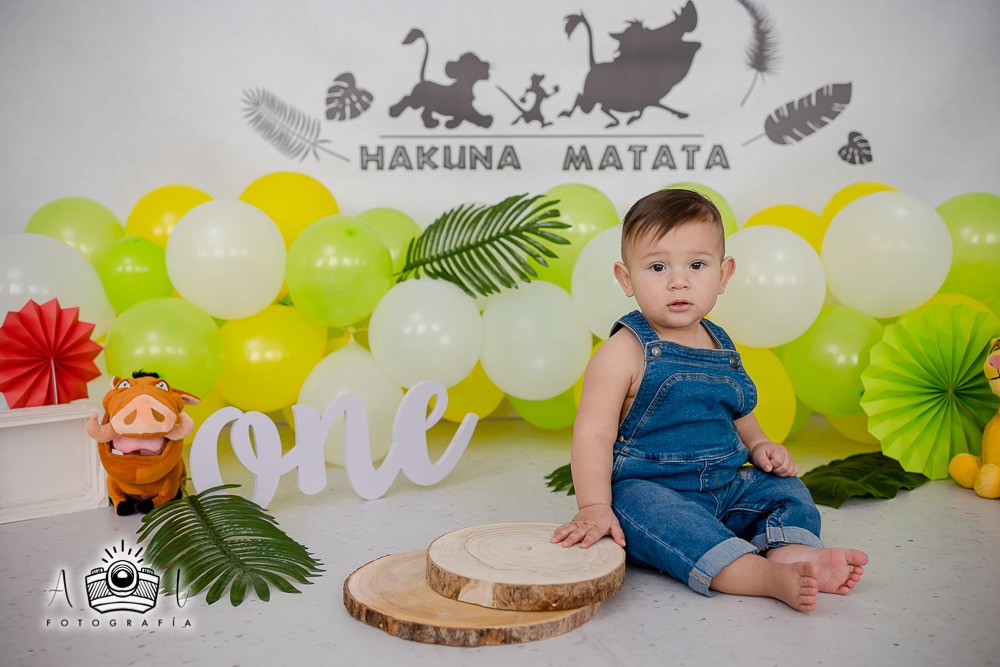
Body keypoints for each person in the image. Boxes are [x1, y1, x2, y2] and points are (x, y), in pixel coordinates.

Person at [550, 188, 868, 612]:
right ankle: (760, 576)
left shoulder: (720, 343)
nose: (678, 281)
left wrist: (760, 444)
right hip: (654, 489)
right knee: (637, 507)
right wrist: (594, 506)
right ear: (626, 279)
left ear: (723, 274)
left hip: (724, 483)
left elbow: (739, 410)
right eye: (658, 267)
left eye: (697, 265)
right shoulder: (622, 352)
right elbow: (592, 433)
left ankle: (792, 553)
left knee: (785, 489)